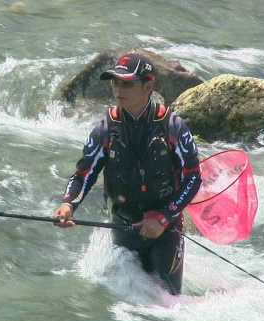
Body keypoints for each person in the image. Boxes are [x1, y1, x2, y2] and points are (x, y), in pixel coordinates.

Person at [54, 51, 202, 295]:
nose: (118, 89)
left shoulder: (173, 127)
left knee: (166, 307)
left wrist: (164, 218)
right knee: (126, 311)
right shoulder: (104, 130)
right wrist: (69, 204)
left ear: (148, 86)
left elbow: (193, 177)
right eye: (114, 82)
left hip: (165, 233)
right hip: (123, 229)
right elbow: (83, 174)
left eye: (127, 83)